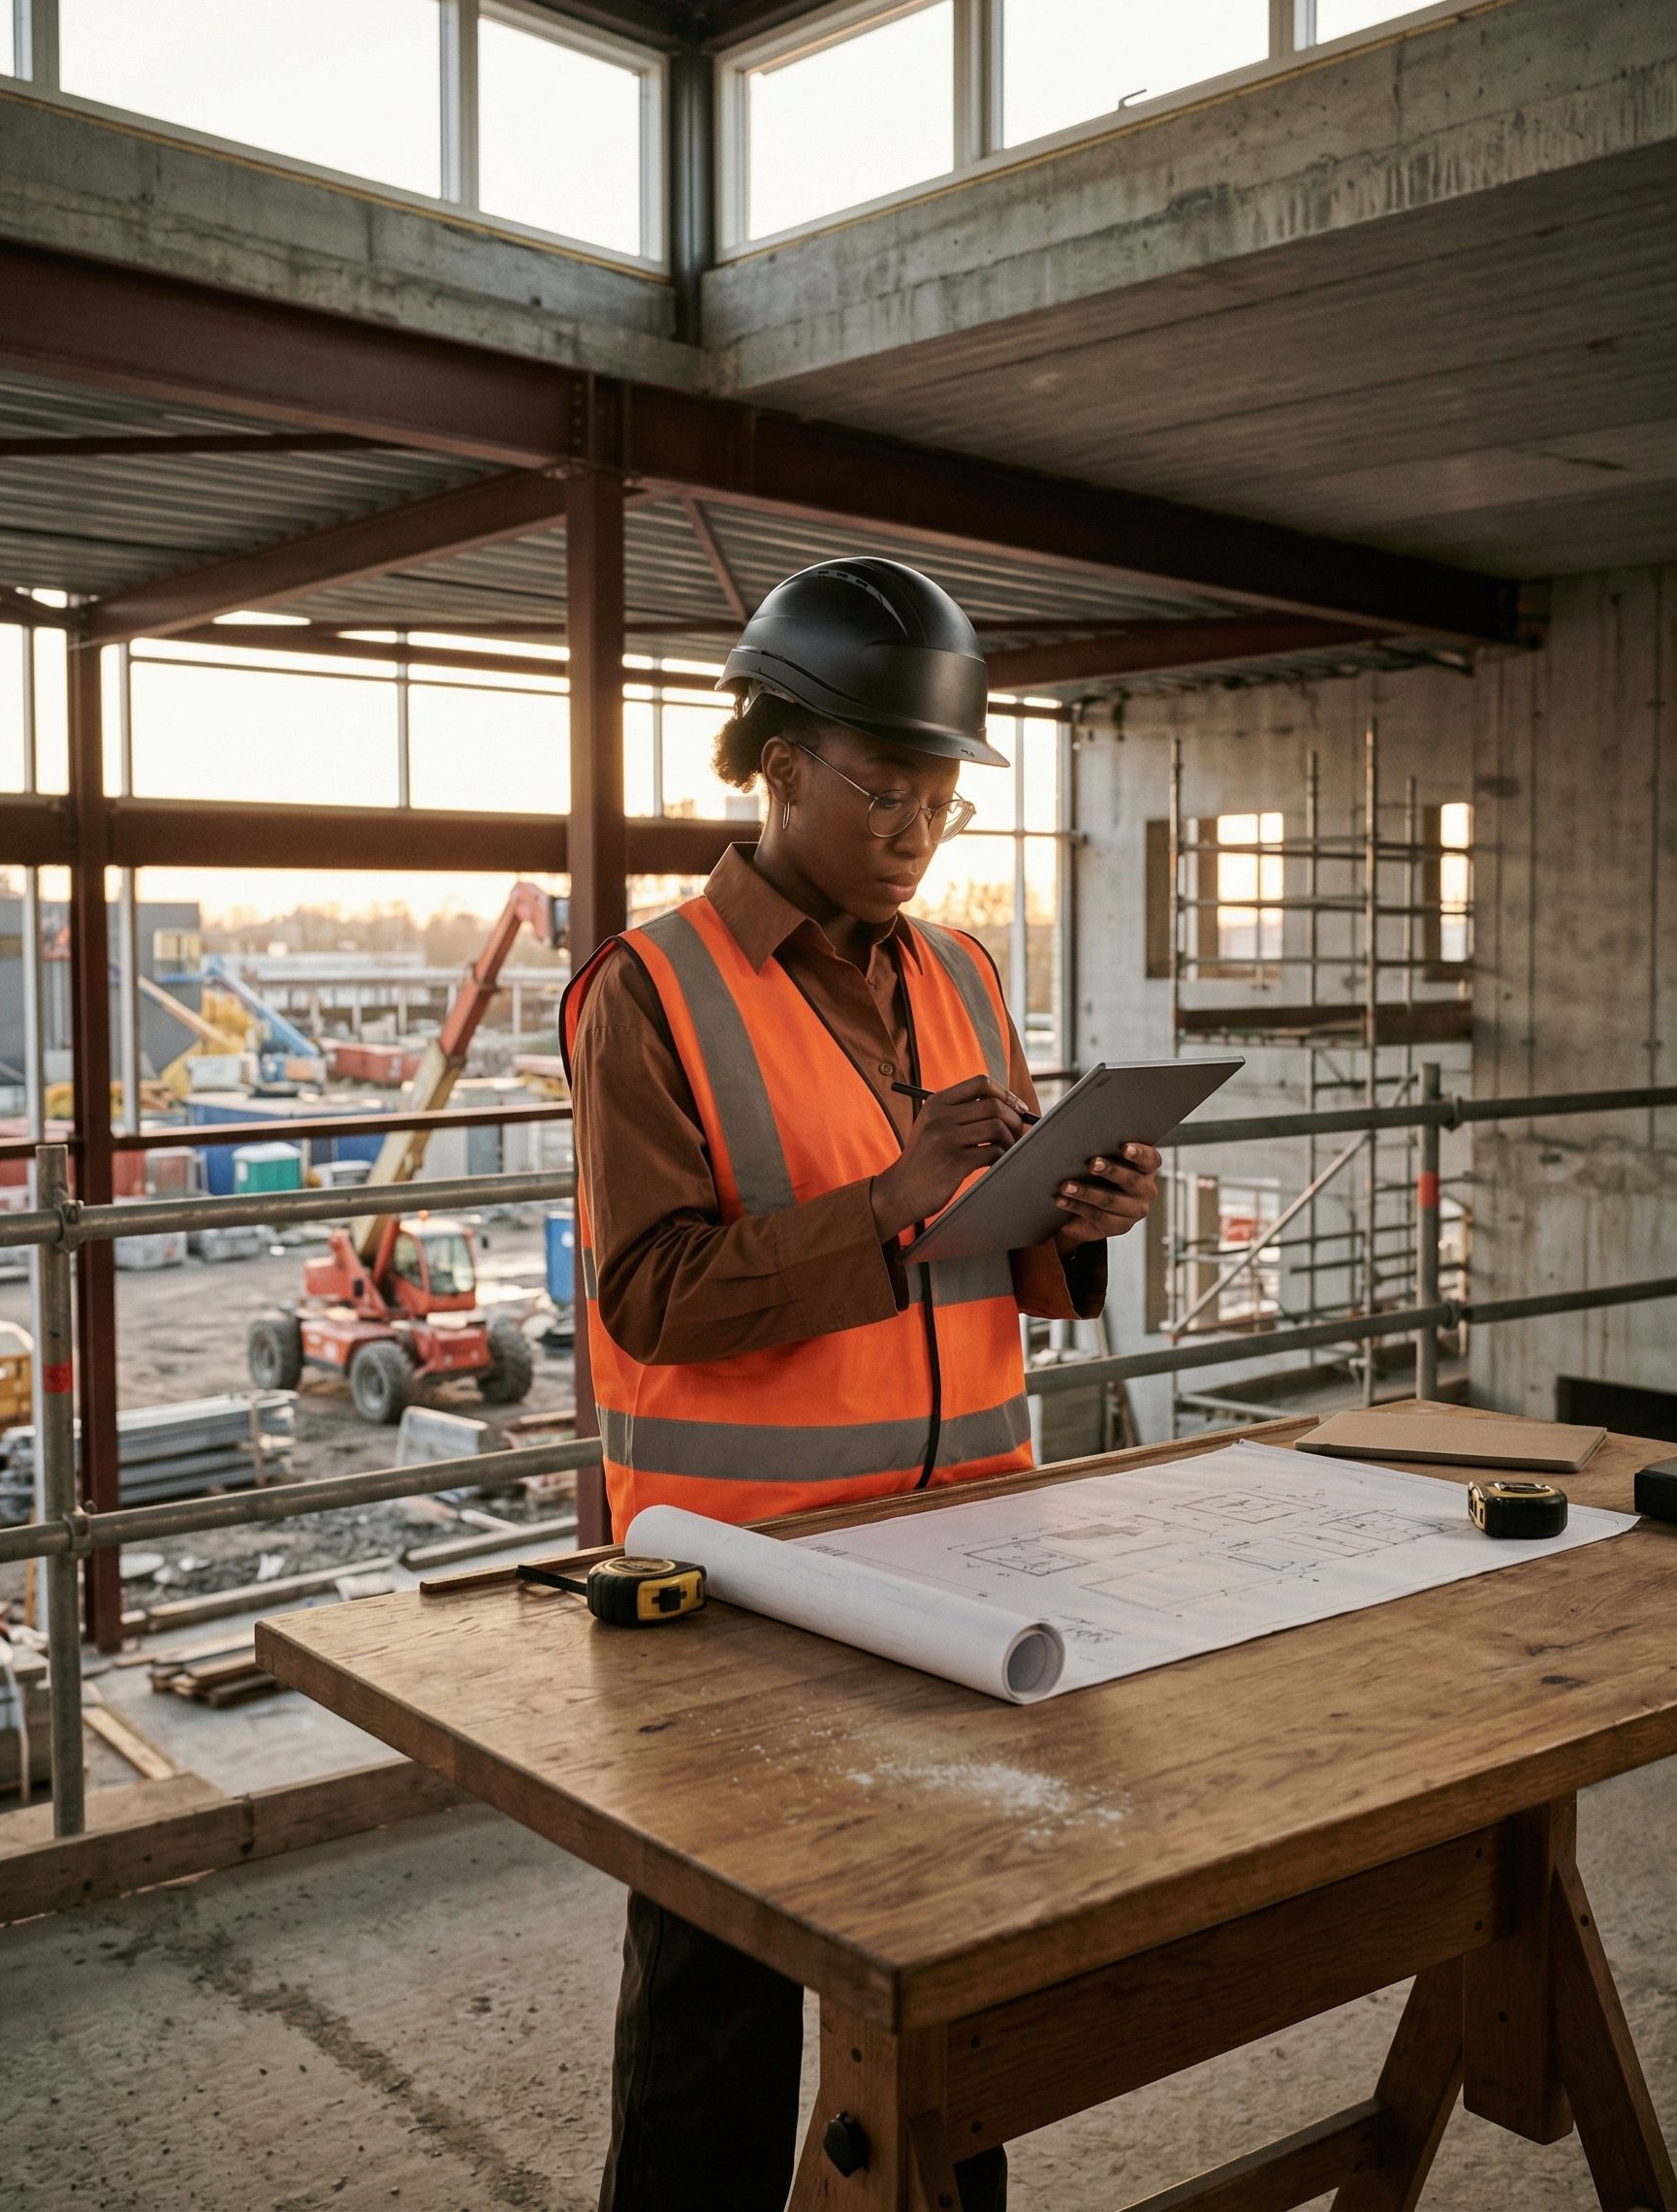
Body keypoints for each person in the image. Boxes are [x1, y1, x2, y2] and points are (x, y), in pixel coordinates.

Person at [561, 556, 1161, 2212]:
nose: (912, 832)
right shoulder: (650, 991)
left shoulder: (959, 977)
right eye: (881, 790)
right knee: (716, 2005)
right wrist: (886, 1204)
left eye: (941, 800)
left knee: (945, 1977)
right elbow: (650, 1296)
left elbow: (989, 1248)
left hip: (960, 1555)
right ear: (777, 765)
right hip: (735, 1573)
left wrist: (1076, 1223)